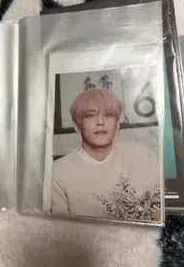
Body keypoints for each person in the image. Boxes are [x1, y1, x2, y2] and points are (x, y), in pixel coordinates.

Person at [50, 87, 161, 219]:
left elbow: (160, 214)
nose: (100, 122)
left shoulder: (143, 156)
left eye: (108, 115)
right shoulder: (58, 172)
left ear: (117, 123)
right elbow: (60, 228)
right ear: (77, 126)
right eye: (90, 116)